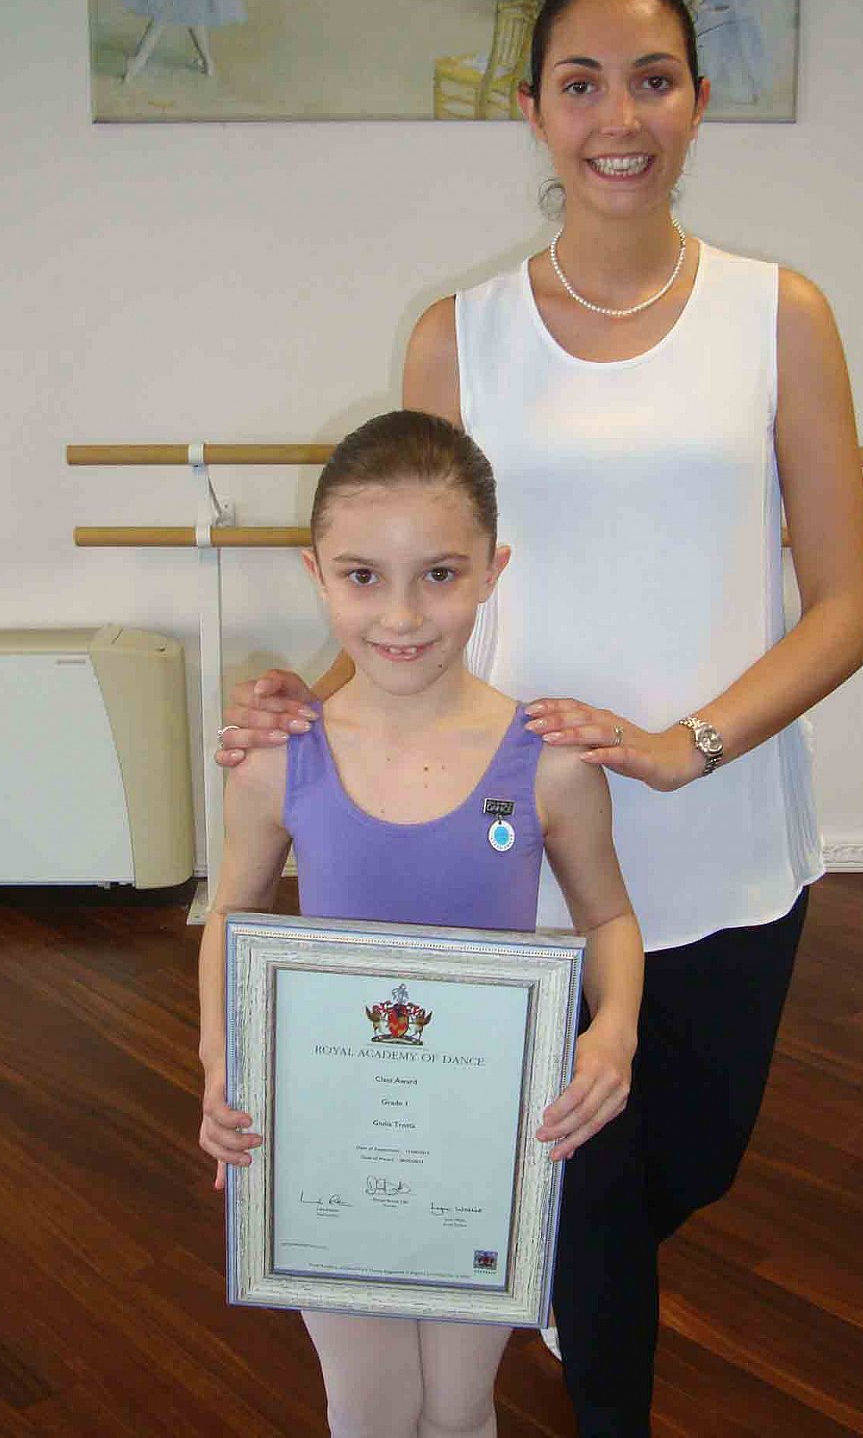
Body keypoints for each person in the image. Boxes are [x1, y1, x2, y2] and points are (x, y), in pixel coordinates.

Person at [217, 0, 863, 1433]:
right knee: (591, 1184)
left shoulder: (782, 315)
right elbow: (410, 576)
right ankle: (580, 1312)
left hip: (723, 832)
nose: (617, 118)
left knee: (688, 1161)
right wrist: (300, 710)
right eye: (580, 84)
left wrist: (687, 746)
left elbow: (844, 606)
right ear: (532, 111)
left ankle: (572, 1273)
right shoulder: (459, 334)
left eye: (652, 80)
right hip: (506, 841)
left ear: (698, 100)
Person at [200, 410, 644, 1438]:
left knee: (457, 1404)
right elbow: (233, 914)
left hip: (487, 1140)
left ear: (493, 571)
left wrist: (613, 1032)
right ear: (317, 575)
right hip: (318, 1132)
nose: (401, 614)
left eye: (439, 574)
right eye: (363, 576)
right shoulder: (278, 757)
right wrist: (222, 1061)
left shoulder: (549, 760)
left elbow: (611, 917)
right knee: (368, 1405)